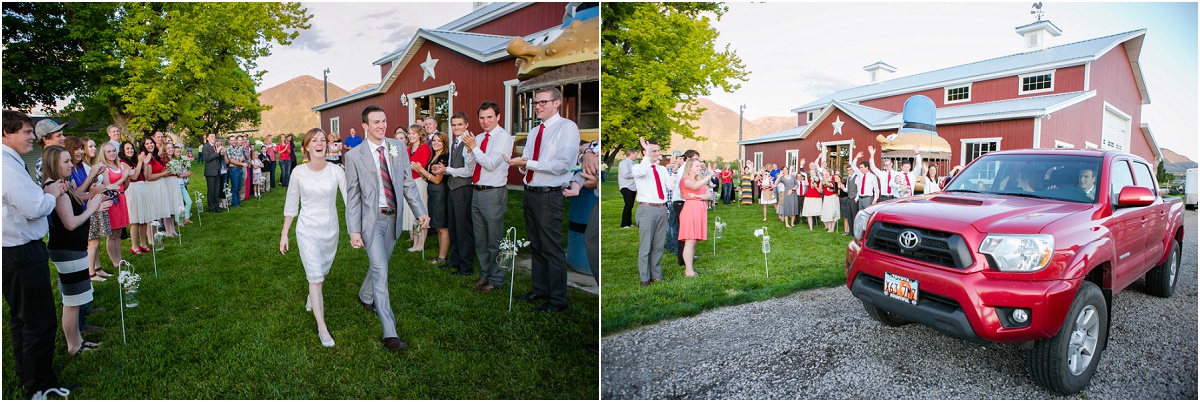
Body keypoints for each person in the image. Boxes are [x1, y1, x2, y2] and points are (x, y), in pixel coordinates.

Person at [344, 105, 429, 352]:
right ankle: (390, 334)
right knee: (381, 271)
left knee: (381, 263)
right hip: (371, 222)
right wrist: (353, 230)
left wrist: (420, 211)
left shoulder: (397, 146)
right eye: (376, 122)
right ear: (365, 126)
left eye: (384, 121)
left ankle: (365, 295)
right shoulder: (354, 156)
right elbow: (353, 196)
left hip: (394, 219)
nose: (381, 126)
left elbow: (407, 183)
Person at [3, 111, 75, 399]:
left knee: (22, 320)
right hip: (20, 252)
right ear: (6, 133)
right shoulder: (6, 165)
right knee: (38, 321)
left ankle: (27, 375)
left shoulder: (9, 162)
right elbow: (34, 207)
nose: (32, 136)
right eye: (26, 131)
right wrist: (51, 193)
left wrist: (42, 193)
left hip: (13, 251)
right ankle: (40, 386)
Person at [509, 87, 579, 311]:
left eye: (542, 102)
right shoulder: (534, 131)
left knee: (551, 248)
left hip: (549, 196)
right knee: (536, 245)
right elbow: (529, 160)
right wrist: (521, 165)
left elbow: (562, 166)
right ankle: (539, 289)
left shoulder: (566, 128)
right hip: (530, 192)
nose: (537, 106)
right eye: (536, 103)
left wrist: (527, 164)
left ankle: (558, 300)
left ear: (556, 103)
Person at [280, 128, 348, 348]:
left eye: (322, 140)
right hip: (307, 230)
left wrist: (357, 227)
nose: (320, 143)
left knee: (323, 272)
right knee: (316, 278)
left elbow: (349, 201)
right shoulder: (298, 172)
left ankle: (312, 296)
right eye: (314, 140)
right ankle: (322, 327)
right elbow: (291, 205)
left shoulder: (337, 170)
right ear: (306, 147)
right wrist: (284, 234)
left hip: (330, 231)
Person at [43, 144, 112, 356]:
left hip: (72, 248)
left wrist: (94, 206)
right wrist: (91, 209)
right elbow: (70, 223)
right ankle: (74, 345)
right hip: (67, 249)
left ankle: (78, 340)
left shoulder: (62, 186)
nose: (71, 165)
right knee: (72, 302)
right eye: (65, 161)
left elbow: (76, 207)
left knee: (75, 299)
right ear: (54, 164)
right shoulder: (55, 188)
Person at [464, 101, 513, 292]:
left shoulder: (503, 137)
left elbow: (491, 164)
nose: (485, 121)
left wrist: (474, 148)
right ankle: (485, 274)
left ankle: (497, 278)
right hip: (477, 190)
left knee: (494, 239)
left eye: (489, 117)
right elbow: (471, 166)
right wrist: (470, 151)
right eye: (482, 117)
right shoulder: (479, 137)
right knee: (481, 238)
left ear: (498, 117)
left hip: (493, 192)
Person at [438, 112, 476, 276]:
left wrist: (447, 170)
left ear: (466, 125)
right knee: (453, 227)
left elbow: (469, 171)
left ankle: (466, 267)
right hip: (453, 189)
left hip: (463, 189)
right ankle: (455, 260)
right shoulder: (455, 141)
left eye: (460, 124)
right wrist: (442, 169)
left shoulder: (468, 142)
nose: (456, 128)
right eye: (453, 125)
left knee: (463, 229)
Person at [630, 137, 670, 286]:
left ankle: (656, 274)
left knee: (658, 245)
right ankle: (644, 277)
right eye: (653, 151)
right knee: (646, 245)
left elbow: (670, 186)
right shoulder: (638, 168)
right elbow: (641, 171)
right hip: (647, 209)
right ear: (644, 152)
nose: (657, 153)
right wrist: (647, 156)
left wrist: (675, 172)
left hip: (662, 208)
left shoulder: (662, 169)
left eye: (658, 150)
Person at [411, 131, 450, 266]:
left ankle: (442, 256)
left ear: (444, 143)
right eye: (434, 140)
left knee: (442, 226)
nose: (436, 143)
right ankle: (440, 254)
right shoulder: (435, 155)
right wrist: (423, 173)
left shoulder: (443, 157)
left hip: (440, 192)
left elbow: (437, 180)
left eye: (439, 141)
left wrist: (421, 169)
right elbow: (429, 177)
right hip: (432, 191)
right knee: (438, 226)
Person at [677, 158, 713, 278]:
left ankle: (689, 268)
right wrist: (710, 176)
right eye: (697, 166)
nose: (699, 168)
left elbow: (709, 194)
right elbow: (695, 186)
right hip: (691, 210)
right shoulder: (685, 180)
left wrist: (697, 196)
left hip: (699, 210)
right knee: (690, 240)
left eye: (700, 166)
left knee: (695, 240)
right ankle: (688, 270)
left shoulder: (698, 180)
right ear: (690, 167)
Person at [100, 142, 131, 269]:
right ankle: (114, 260)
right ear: (104, 153)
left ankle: (119, 257)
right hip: (111, 201)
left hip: (121, 199)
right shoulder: (104, 168)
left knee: (119, 232)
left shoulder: (119, 166)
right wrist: (123, 178)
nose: (112, 153)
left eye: (113, 151)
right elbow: (108, 188)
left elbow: (125, 187)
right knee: (112, 233)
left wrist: (127, 177)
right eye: (109, 151)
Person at [402, 125, 432, 253]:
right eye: (409, 133)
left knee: (421, 212)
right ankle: (415, 242)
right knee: (413, 214)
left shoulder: (424, 148)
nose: (411, 136)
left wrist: (410, 166)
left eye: (414, 133)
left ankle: (421, 244)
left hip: (419, 182)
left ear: (420, 134)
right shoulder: (408, 150)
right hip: (409, 183)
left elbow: (420, 166)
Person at [33, 119, 67, 183]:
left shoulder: (58, 158)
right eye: (58, 136)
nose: (64, 138)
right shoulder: (44, 163)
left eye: (62, 134)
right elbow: (57, 190)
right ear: (45, 139)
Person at [201, 133, 224, 213]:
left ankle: (216, 205)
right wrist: (217, 153)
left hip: (217, 171)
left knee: (217, 190)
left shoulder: (215, 147)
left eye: (214, 136)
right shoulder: (206, 147)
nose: (214, 138)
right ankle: (211, 207)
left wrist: (221, 154)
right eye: (212, 137)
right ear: (207, 138)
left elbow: (218, 159)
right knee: (211, 190)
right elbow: (207, 159)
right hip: (210, 172)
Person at [617, 148, 638, 228]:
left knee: (631, 205)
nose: (636, 156)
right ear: (631, 154)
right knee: (628, 205)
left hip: (633, 187)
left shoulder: (633, 163)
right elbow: (625, 175)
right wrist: (636, 174)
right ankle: (624, 224)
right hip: (626, 186)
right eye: (635, 154)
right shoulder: (624, 163)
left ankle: (629, 223)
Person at [225, 134, 248, 207]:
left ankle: (237, 201)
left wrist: (242, 159)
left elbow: (241, 157)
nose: (234, 141)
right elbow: (231, 160)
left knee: (239, 186)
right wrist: (242, 163)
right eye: (232, 140)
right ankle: (235, 203)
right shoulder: (228, 149)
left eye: (234, 140)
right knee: (234, 186)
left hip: (239, 169)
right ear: (229, 141)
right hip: (234, 169)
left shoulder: (239, 148)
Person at [839, 167, 858, 236]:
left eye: (850, 170)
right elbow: (847, 190)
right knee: (849, 215)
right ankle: (851, 231)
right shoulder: (848, 178)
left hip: (854, 198)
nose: (849, 171)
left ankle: (855, 232)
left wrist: (856, 198)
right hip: (849, 198)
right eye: (848, 170)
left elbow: (859, 189)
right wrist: (843, 187)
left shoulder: (857, 177)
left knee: (854, 216)